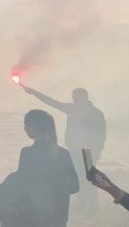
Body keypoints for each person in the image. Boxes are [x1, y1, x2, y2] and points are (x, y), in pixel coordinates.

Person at [23, 85, 105, 214]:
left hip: (88, 151)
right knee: (80, 176)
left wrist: (98, 149)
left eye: (77, 98)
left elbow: (101, 133)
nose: (75, 100)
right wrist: (34, 92)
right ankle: (83, 203)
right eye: (74, 98)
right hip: (74, 148)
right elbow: (51, 101)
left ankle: (92, 203)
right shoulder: (73, 109)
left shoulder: (95, 113)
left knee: (89, 177)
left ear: (85, 98)